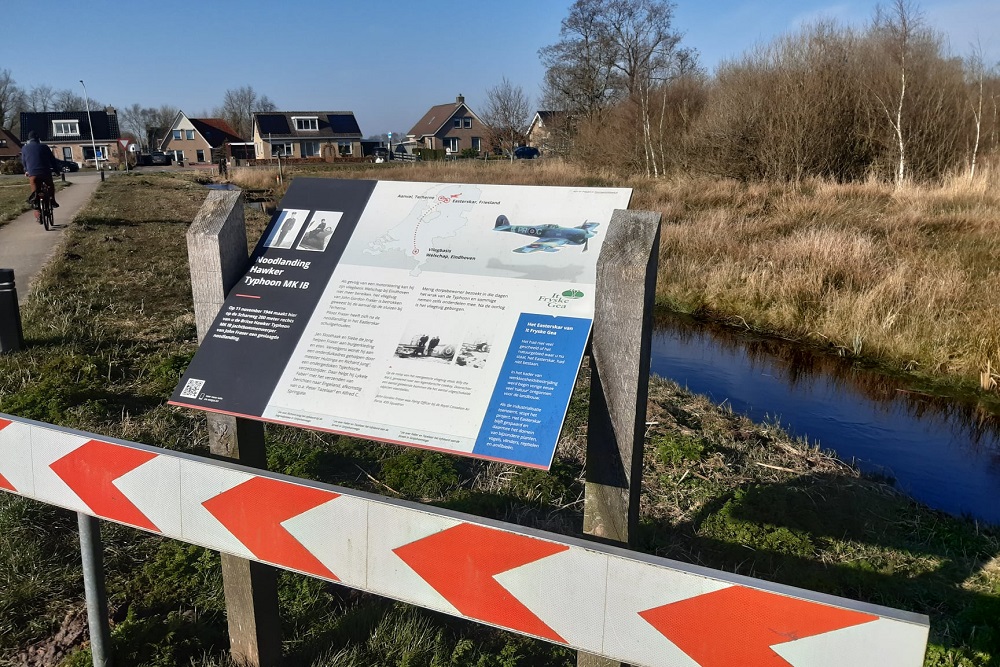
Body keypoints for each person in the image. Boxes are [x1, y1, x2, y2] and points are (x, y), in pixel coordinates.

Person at [21, 131, 61, 209]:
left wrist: (26, 170)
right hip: (45, 172)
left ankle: (35, 202)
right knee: (50, 185)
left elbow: (24, 161)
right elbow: (52, 160)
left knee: (34, 186)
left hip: (33, 173)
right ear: (38, 139)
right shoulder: (45, 147)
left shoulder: (24, 148)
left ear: (28, 140)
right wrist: (56, 170)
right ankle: (52, 200)